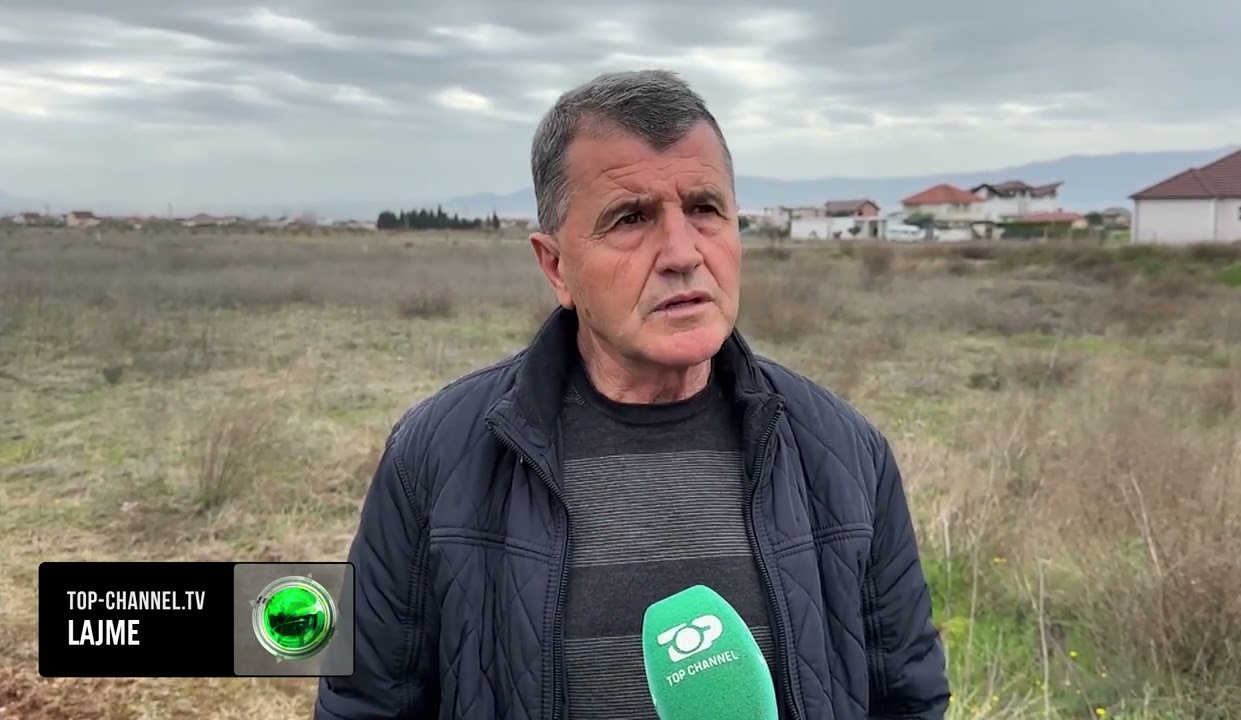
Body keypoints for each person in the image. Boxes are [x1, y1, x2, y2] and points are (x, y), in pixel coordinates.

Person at [314, 69, 949, 720]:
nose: (682, 253)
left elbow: (909, 699)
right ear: (555, 266)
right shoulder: (434, 456)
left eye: (705, 209)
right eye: (630, 218)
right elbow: (363, 704)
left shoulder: (846, 453)